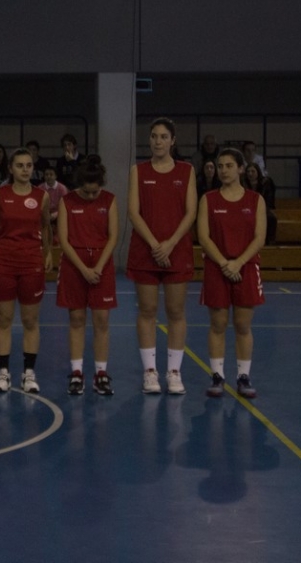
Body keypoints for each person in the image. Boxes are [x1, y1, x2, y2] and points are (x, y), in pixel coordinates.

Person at [127, 117, 197, 395]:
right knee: (147, 311)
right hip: (146, 250)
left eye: (164, 137)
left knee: (176, 312)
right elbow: (134, 212)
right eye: (154, 136)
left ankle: (174, 372)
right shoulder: (138, 171)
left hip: (176, 250)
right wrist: (156, 245)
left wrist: (170, 244)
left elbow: (190, 212)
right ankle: (150, 372)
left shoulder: (187, 171)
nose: (158, 141)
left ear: (173, 141)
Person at [198, 148, 266, 399]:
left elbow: (259, 237)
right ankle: (217, 376)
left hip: (246, 267)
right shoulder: (208, 200)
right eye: (220, 166)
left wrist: (238, 263)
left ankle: (243, 376)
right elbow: (204, 237)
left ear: (240, 168)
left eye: (229, 166)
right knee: (217, 324)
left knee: (242, 325)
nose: (224, 170)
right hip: (217, 268)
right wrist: (225, 263)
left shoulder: (256, 200)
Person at [0, 148, 51, 393]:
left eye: (29, 165)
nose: (25, 170)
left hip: (31, 262)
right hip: (4, 261)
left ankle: (29, 373)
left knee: (30, 320)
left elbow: (46, 226)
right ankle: (3, 373)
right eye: (20, 165)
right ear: (10, 169)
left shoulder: (42, 196)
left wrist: (48, 253)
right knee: (3, 319)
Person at [57, 155, 119, 395]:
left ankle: (101, 373)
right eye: (87, 192)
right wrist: (83, 269)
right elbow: (64, 240)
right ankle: (76, 372)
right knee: (77, 319)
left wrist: (99, 268)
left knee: (101, 320)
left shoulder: (110, 200)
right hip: (75, 265)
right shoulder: (67, 201)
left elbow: (113, 237)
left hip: (101, 264)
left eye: (96, 192)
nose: (92, 196)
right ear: (79, 185)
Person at [245, 162, 277, 245]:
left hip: (262, 208)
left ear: (258, 172)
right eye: (248, 171)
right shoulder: (243, 183)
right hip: (246, 209)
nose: (250, 174)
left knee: (271, 218)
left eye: (253, 171)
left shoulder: (265, 182)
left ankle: (270, 242)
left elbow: (268, 200)